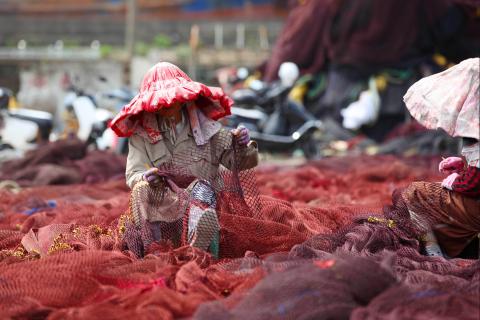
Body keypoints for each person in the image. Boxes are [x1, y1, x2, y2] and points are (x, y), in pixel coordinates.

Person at [109, 62, 258, 257]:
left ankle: (198, 242)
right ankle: (154, 251)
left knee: (201, 190)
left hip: (204, 202)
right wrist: (145, 178)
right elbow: (133, 174)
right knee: (141, 190)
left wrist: (242, 145)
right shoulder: (142, 135)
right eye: (160, 102)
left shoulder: (208, 128)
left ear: (183, 98)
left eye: (172, 100)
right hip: (164, 209)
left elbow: (240, 162)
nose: (166, 106)